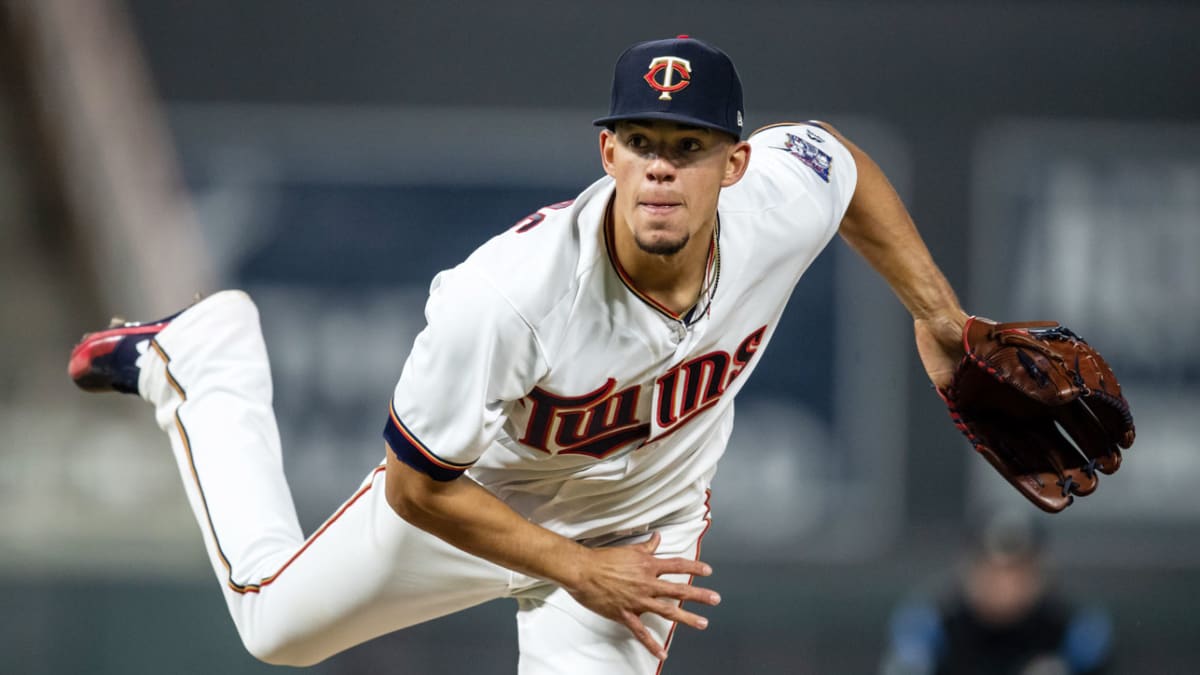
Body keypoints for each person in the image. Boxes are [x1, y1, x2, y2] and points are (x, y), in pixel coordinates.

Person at [69, 35, 969, 673]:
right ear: (608, 151)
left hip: (637, 525)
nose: (662, 168)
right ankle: (208, 356)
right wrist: (572, 566)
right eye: (644, 143)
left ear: (733, 164)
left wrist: (939, 314)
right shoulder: (506, 295)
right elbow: (414, 485)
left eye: (688, 147)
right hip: (477, 504)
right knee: (275, 628)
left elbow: (838, 163)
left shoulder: (778, 203)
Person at [879, 510, 1113, 675]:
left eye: (1018, 571)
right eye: (991, 569)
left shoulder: (1074, 629)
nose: (1004, 585)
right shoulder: (931, 623)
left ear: (1041, 572)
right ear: (968, 567)